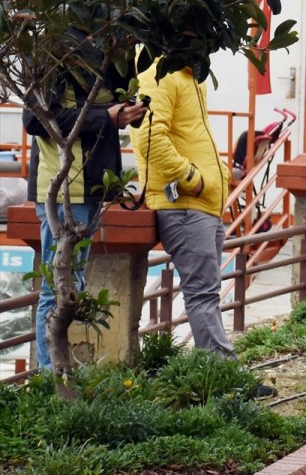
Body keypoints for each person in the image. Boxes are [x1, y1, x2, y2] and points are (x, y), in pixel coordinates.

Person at [130, 56, 274, 398]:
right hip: (183, 204)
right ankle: (224, 379)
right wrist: (193, 179)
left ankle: (214, 374)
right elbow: (148, 137)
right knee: (202, 294)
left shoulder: (191, 77)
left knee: (205, 292)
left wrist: (215, 178)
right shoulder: (160, 74)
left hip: (202, 204)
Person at [23, 34, 148, 369]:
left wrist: (129, 113)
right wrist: (105, 117)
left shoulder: (108, 56)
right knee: (57, 289)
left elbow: (104, 108)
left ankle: (58, 374)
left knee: (71, 284)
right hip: (64, 188)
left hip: (91, 187)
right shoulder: (56, 51)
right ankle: (52, 378)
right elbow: (34, 119)